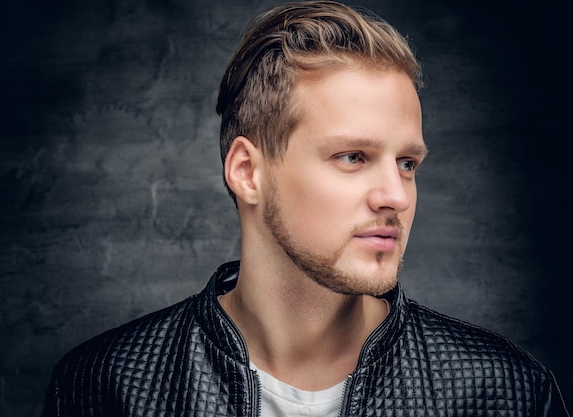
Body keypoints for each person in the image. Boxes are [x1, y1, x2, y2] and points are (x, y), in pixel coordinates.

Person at [42, 1, 569, 416]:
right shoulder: (106, 386)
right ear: (248, 171)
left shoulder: (504, 392)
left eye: (408, 163)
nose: (397, 195)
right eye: (352, 157)